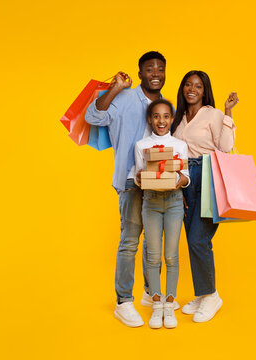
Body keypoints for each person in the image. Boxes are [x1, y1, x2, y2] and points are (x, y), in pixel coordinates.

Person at [85, 51, 177, 327]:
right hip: (129, 179)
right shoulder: (124, 99)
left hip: (157, 180)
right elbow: (93, 116)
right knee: (130, 241)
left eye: (161, 69)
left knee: (153, 241)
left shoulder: (163, 105)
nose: (156, 74)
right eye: (150, 69)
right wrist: (114, 88)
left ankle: (150, 293)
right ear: (140, 74)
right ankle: (123, 301)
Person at [171, 70, 239, 322]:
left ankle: (211, 295)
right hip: (184, 178)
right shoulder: (178, 117)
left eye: (198, 86)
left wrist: (228, 112)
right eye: (188, 85)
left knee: (200, 238)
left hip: (208, 175)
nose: (192, 89)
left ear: (204, 89)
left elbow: (226, 146)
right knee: (191, 238)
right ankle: (202, 293)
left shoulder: (213, 113)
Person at [134, 99, 190, 329]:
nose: (161, 121)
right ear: (150, 119)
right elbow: (138, 175)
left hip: (175, 202)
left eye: (166, 116)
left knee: (171, 256)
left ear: (171, 119)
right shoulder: (141, 145)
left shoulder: (179, 144)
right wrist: (141, 178)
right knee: (153, 255)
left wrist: (178, 181)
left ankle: (170, 302)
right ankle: (156, 304)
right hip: (151, 202)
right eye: (156, 116)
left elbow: (185, 176)